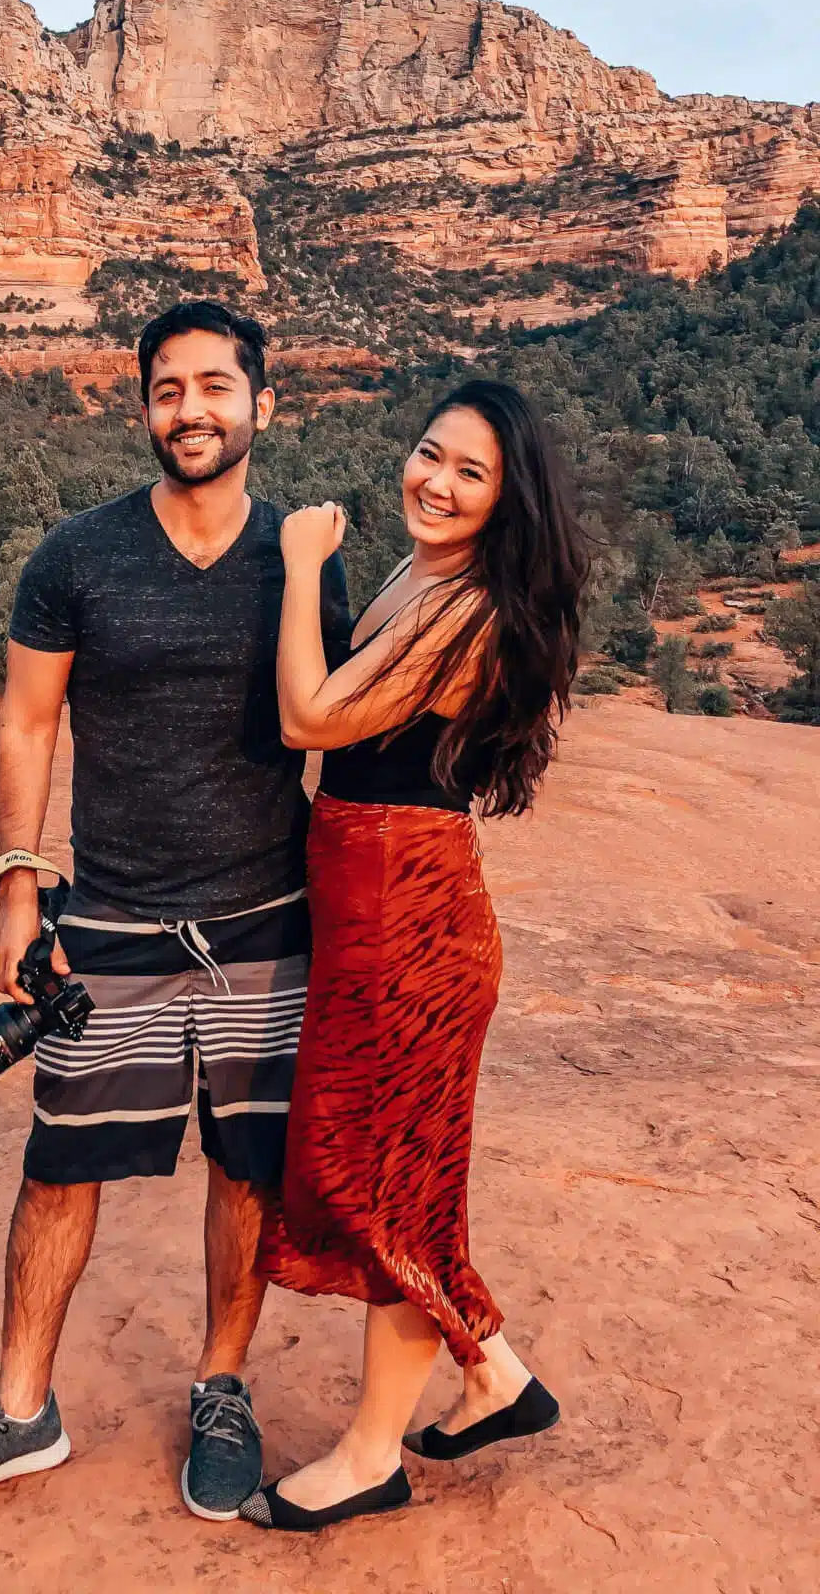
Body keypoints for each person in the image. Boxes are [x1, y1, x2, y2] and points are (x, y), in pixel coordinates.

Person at [0, 302, 348, 1527]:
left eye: (215, 386)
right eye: (168, 389)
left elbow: (340, 719)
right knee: (60, 1169)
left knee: (247, 1170)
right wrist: (16, 881)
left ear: (260, 403)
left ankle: (221, 1387)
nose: (191, 410)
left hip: (268, 923)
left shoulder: (303, 559)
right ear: (144, 407)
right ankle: (19, 1412)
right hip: (112, 922)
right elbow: (26, 721)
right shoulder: (77, 557)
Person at [239, 379, 589, 1533]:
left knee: (386, 1189)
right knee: (388, 1172)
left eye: (469, 473)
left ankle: (370, 1458)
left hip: (410, 917)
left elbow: (310, 721)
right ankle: (493, 1378)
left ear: (506, 500)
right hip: (375, 902)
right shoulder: (423, 574)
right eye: (430, 453)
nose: (435, 482)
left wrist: (301, 564)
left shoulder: (471, 610)